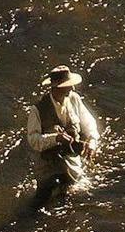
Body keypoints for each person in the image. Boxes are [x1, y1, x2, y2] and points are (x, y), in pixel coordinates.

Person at [25, 65, 100, 194]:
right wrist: (56, 138)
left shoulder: (74, 98)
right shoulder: (37, 110)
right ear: (57, 87)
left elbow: (88, 122)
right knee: (44, 195)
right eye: (68, 85)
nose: (72, 88)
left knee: (77, 193)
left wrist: (92, 140)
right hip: (47, 166)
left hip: (72, 161)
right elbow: (33, 141)